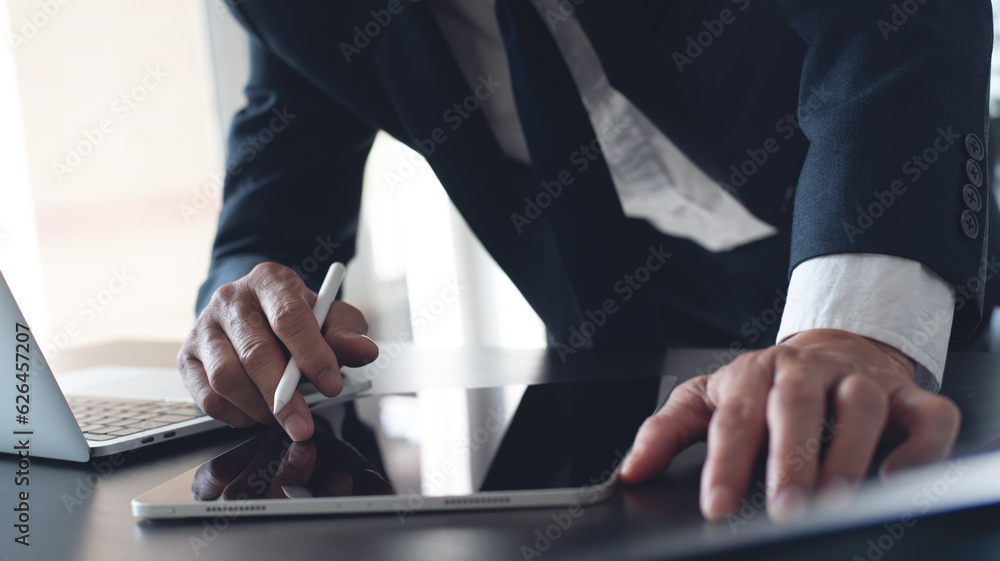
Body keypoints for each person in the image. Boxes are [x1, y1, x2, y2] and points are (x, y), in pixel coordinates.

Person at [177, 0, 997, 522]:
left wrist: (851, 329)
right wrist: (245, 308)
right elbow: (277, 199)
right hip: (630, 345)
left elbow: (895, 25)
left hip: (896, 259)